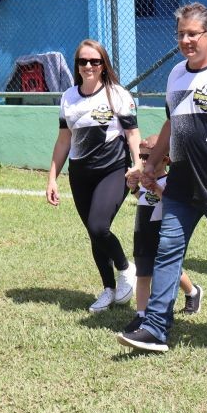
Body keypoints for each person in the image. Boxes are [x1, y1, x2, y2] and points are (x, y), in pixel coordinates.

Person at [117, 3, 207, 353]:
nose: (185, 40)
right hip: (181, 184)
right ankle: (155, 328)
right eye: (180, 34)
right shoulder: (176, 74)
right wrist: (151, 166)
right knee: (167, 251)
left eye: (192, 33)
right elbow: (171, 123)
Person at [46, 40, 141, 312]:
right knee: (93, 233)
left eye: (95, 61)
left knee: (99, 226)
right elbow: (64, 140)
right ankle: (108, 289)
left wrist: (138, 165)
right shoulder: (68, 97)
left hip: (113, 170)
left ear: (103, 65)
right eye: (83, 61)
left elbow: (133, 134)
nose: (88, 66)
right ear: (77, 65)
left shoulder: (117, 94)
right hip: (80, 173)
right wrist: (52, 177)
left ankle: (125, 269)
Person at [123, 134, 203, 334]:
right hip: (142, 231)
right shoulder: (143, 178)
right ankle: (141, 315)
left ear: (165, 159)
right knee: (142, 273)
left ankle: (193, 292)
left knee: (169, 269)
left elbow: (169, 202)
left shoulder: (170, 181)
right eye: (141, 156)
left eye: (149, 157)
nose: (143, 161)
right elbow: (142, 198)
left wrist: (156, 187)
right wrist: (133, 188)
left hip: (162, 232)